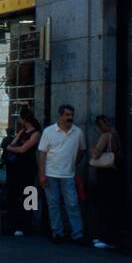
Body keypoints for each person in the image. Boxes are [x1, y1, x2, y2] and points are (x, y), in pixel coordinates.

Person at [38, 104, 87, 244]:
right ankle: (57, 233)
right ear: (60, 116)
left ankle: (77, 234)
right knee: (53, 204)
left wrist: (73, 163)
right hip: (51, 173)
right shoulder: (48, 131)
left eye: (71, 115)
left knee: (72, 204)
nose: (70, 117)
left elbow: (82, 150)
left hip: (68, 174)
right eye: (67, 115)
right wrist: (42, 174)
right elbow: (42, 154)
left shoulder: (78, 132)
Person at [3, 110, 42, 236]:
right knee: (16, 194)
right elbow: (13, 144)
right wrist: (14, 146)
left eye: (20, 118)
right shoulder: (22, 131)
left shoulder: (36, 133)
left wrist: (12, 148)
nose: (19, 121)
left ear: (25, 119)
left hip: (29, 166)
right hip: (17, 167)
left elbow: (22, 149)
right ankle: (15, 224)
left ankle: (27, 225)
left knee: (29, 194)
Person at [87, 115, 122, 249]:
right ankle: (111, 237)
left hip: (103, 172)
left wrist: (92, 149)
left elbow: (96, 154)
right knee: (111, 205)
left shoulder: (105, 136)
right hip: (113, 172)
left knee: (100, 204)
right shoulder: (116, 135)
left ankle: (99, 236)